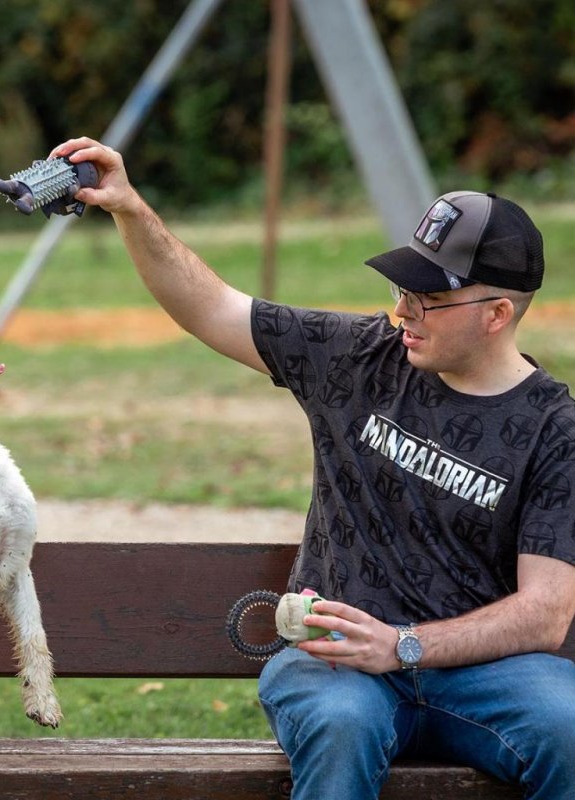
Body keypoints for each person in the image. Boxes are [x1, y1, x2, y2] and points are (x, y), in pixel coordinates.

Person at [49, 136, 575, 799]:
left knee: (569, 726)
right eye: (402, 286)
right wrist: (130, 208)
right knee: (344, 722)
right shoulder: (358, 357)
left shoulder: (555, 429)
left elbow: (548, 613)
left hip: (478, 671)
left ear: (498, 313)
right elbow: (211, 306)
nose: (403, 310)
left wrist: (404, 645)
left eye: (429, 298)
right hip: (333, 663)